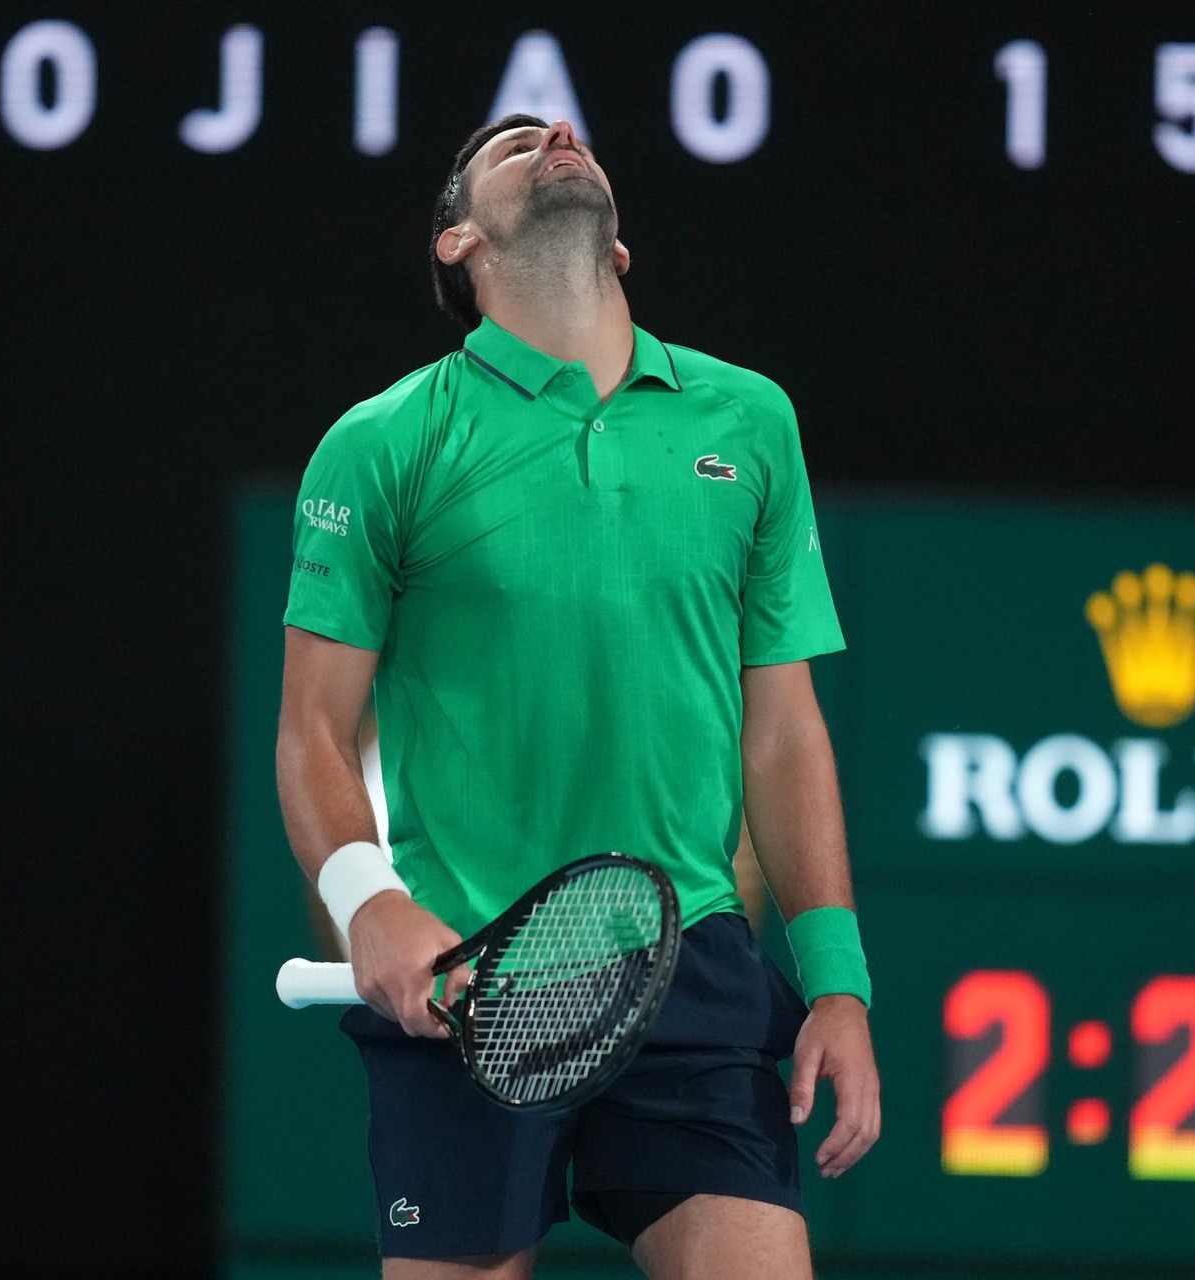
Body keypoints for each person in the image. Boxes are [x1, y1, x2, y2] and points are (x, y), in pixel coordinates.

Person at [275, 113, 879, 1280]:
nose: (554, 130)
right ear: (456, 241)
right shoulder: (383, 443)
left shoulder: (750, 421)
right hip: (471, 971)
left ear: (622, 250)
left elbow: (785, 729)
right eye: (507, 144)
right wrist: (372, 903)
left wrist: (839, 982)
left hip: (688, 958)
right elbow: (310, 731)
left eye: (566, 135)